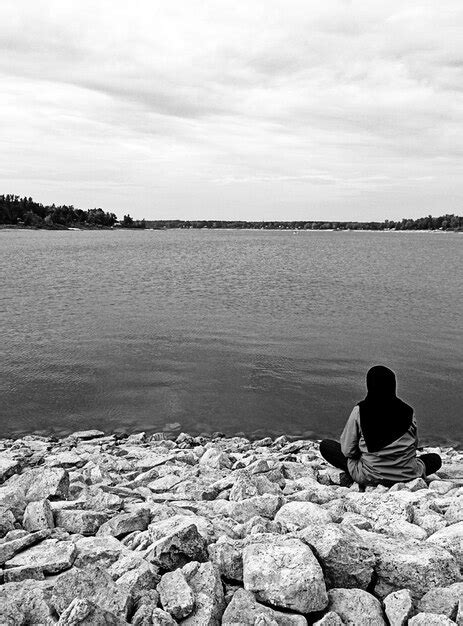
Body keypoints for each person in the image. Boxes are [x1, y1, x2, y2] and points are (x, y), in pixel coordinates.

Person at [319, 365, 442, 486]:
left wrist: (366, 454)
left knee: (326, 446)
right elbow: (413, 446)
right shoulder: (409, 411)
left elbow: (347, 451)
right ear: (393, 385)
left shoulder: (361, 410)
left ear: (369, 385)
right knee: (435, 459)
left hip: (371, 476)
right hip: (407, 474)